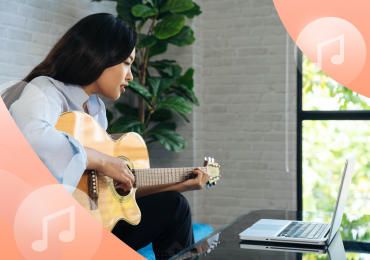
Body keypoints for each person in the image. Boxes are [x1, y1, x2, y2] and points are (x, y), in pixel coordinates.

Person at [1, 13, 210, 260]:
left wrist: (179, 184)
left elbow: (108, 196)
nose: (131, 76)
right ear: (100, 55)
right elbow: (31, 142)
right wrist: (100, 159)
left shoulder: (96, 113)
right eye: (126, 63)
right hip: (47, 227)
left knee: (175, 205)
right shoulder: (43, 91)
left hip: (88, 223)